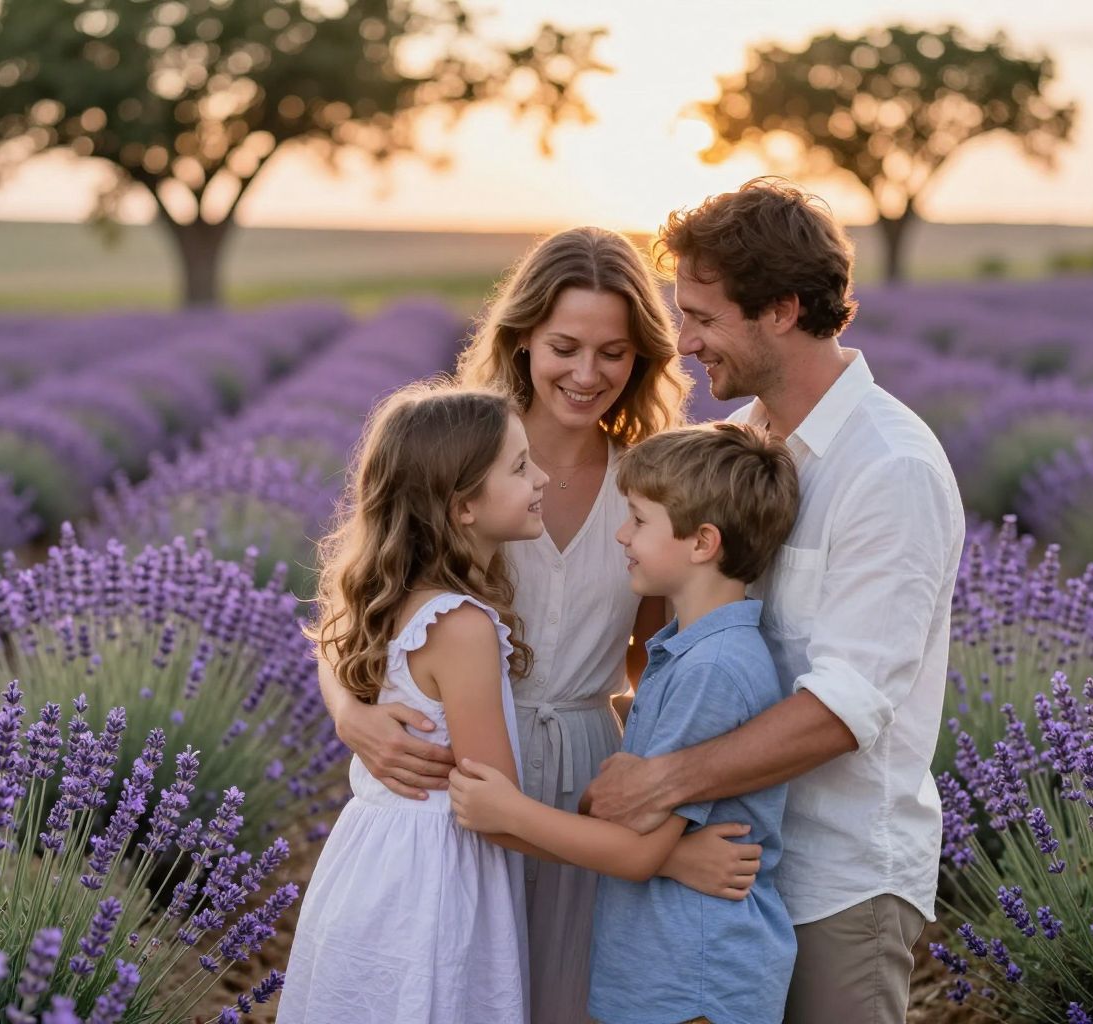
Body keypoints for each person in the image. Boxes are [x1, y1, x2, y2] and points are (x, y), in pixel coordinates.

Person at [316, 227, 763, 1023]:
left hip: (589, 771)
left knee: (563, 997)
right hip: (465, 771)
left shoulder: (648, 483)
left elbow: (650, 661)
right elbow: (357, 611)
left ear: (642, 360)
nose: (587, 374)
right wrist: (353, 717)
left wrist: (653, 819)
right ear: (521, 339)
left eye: (614, 353)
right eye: (564, 346)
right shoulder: (465, 460)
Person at [581, 179, 967, 1024]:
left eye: (705, 318)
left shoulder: (888, 468)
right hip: (720, 866)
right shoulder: (740, 450)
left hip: (837, 879)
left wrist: (658, 783)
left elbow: (845, 707)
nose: (684, 343)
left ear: (784, 309)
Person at [451, 421, 801, 1024]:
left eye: (638, 520)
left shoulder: (712, 670)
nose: (621, 534)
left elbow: (640, 852)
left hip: (695, 976)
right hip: (666, 967)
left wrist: (508, 811)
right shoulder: (684, 650)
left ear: (702, 543)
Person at [277, 383, 549, 1024]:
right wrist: (639, 856)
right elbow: (496, 809)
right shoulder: (460, 626)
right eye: (518, 467)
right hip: (432, 886)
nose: (541, 477)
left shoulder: (399, 596)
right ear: (463, 509)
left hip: (371, 866)